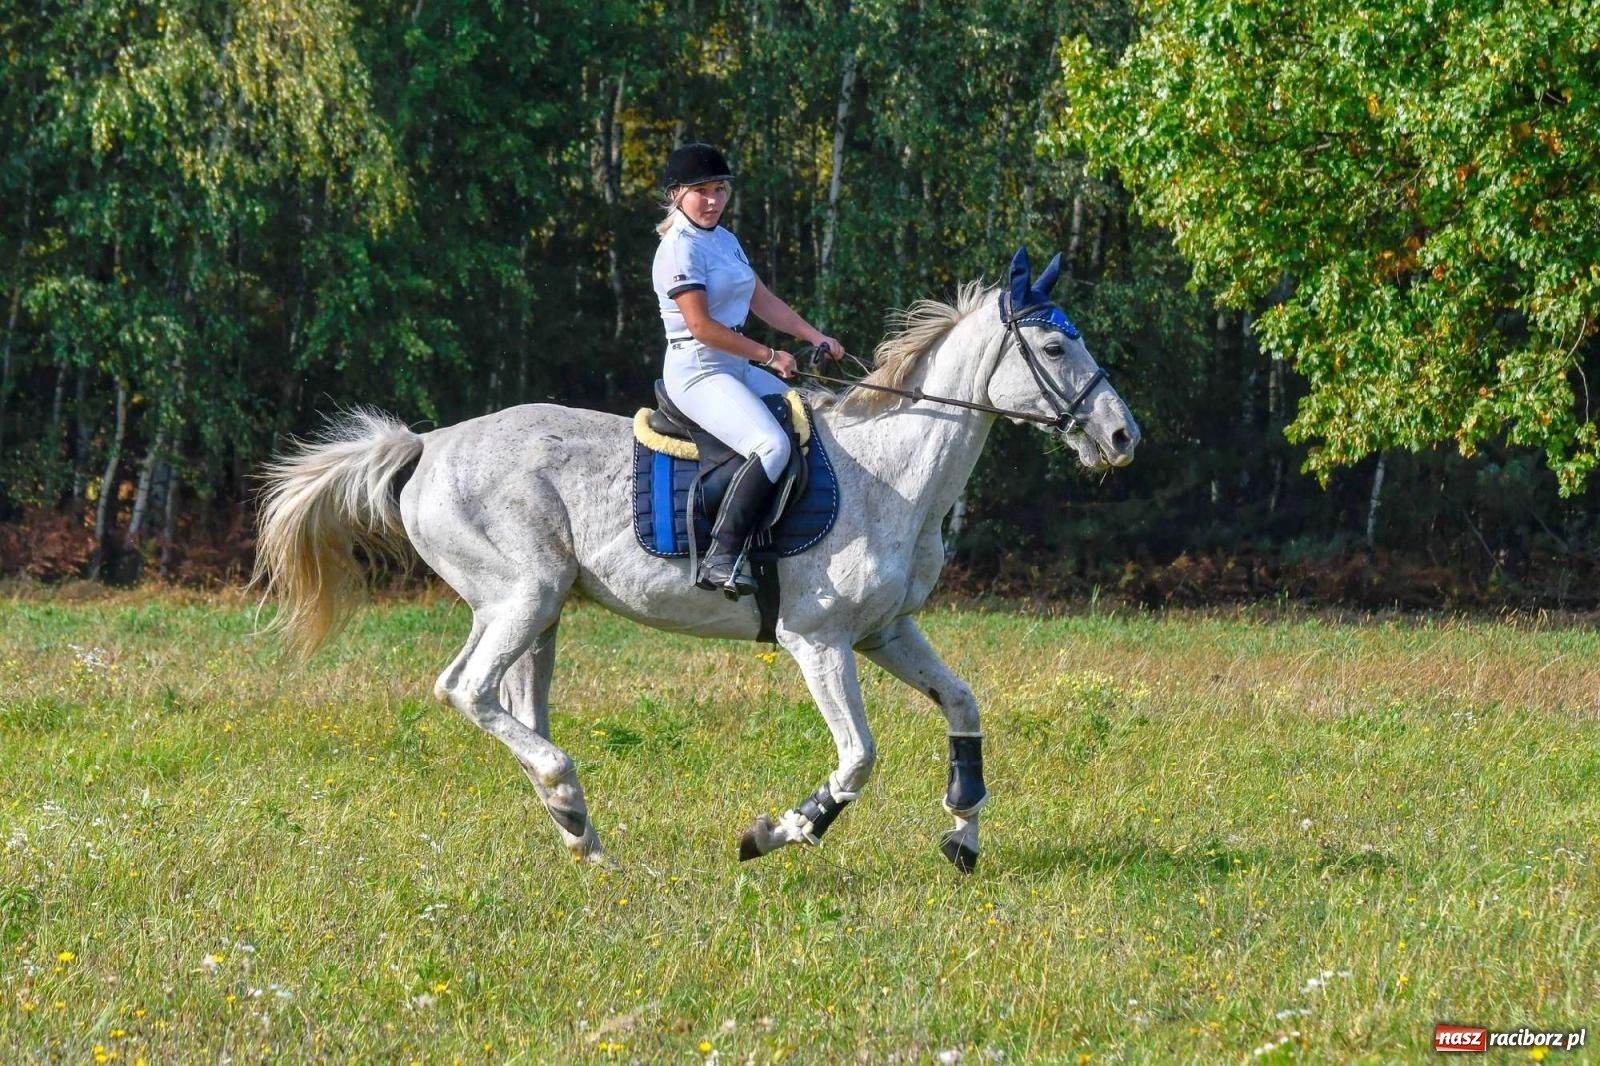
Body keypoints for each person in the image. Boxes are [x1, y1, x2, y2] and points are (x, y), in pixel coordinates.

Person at [651, 142, 846, 598]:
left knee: (814, 410)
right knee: (772, 445)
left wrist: (813, 336)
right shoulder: (679, 250)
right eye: (703, 191)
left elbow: (761, 300)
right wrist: (768, 356)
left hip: (733, 363)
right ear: (677, 194)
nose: (715, 200)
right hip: (697, 369)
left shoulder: (723, 239)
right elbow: (700, 326)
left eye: (721, 189)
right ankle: (721, 556)